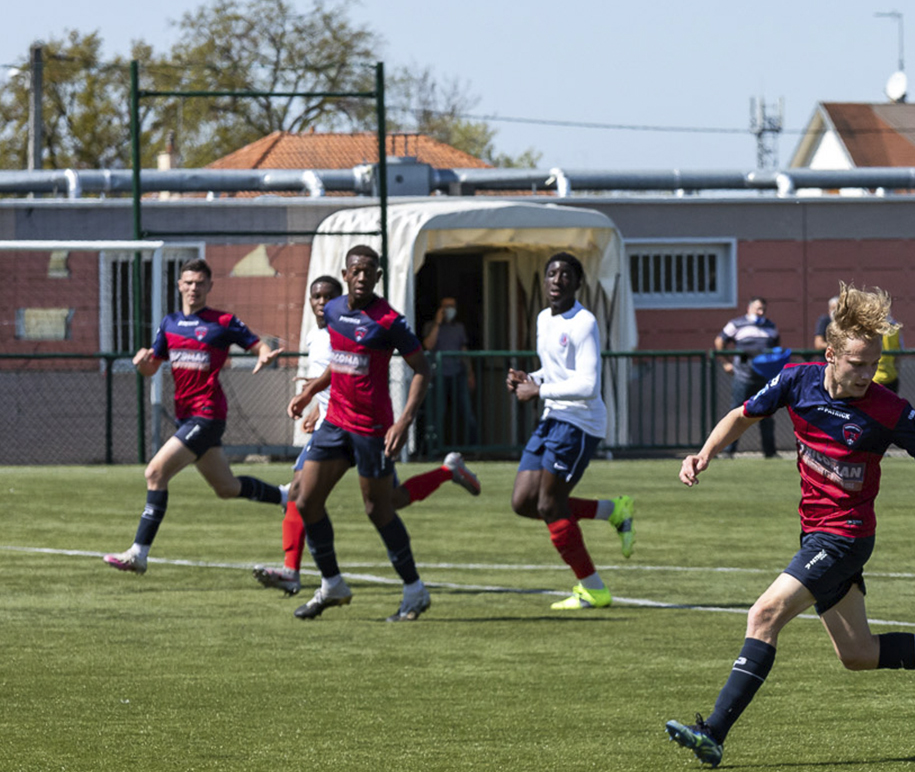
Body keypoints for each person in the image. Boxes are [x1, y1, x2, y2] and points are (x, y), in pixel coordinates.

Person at [665, 283, 915, 769]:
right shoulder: (796, 381)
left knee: (764, 615)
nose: (867, 374)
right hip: (815, 533)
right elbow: (741, 414)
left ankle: (712, 732)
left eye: (874, 364)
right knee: (858, 653)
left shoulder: (890, 410)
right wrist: (704, 454)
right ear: (831, 354)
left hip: (845, 536)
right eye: (857, 364)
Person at [251, 275, 482, 597]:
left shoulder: (363, 323)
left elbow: (355, 367)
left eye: (327, 296)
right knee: (302, 492)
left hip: (365, 426)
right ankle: (296, 572)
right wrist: (316, 403)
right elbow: (337, 372)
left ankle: (447, 472)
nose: (321, 302)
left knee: (387, 503)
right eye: (315, 296)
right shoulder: (316, 336)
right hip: (332, 427)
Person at [104, 258, 288, 575]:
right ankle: (286, 496)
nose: (194, 288)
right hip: (186, 417)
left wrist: (264, 354)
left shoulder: (223, 321)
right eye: (188, 282)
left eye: (200, 283)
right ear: (179, 286)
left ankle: (139, 553)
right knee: (226, 487)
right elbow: (152, 367)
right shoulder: (169, 323)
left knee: (155, 473)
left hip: (207, 414)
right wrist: (141, 362)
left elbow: (257, 344)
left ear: (209, 286)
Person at [284, 245, 434, 622]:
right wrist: (311, 392)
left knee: (378, 509)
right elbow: (341, 362)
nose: (363, 276)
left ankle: (414, 591)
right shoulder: (334, 311)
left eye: (370, 271)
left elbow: (422, 369)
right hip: (335, 423)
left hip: (372, 429)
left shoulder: (388, 321)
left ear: (378, 277)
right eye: (357, 270)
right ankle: (332, 584)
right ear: (346, 274)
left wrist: (404, 421)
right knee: (305, 499)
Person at [507, 251, 635, 610]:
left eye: (566, 274)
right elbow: (557, 372)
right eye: (551, 273)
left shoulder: (584, 322)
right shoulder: (543, 319)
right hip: (553, 418)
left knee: (549, 504)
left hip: (580, 422)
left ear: (578, 284)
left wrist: (538, 390)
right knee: (522, 503)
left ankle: (593, 588)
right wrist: (530, 378)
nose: (557, 279)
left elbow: (589, 385)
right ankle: (613, 509)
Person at [716, 296, 782, 458]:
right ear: (749, 308)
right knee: (736, 414)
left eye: (763, 310)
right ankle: (728, 451)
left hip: (764, 378)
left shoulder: (771, 327)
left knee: (767, 415)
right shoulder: (736, 324)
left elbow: (776, 349)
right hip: (743, 377)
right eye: (758, 309)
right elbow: (719, 341)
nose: (760, 312)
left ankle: (770, 452)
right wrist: (725, 362)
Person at [424, 296, 480, 447]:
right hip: (438, 376)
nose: (450, 310)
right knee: (438, 413)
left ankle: (474, 448)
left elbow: (464, 351)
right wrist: (438, 323)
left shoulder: (459, 328)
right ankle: (434, 448)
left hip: (458, 374)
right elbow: (428, 345)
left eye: (452, 306)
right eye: (446, 306)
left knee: (467, 412)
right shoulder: (431, 326)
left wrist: (470, 373)